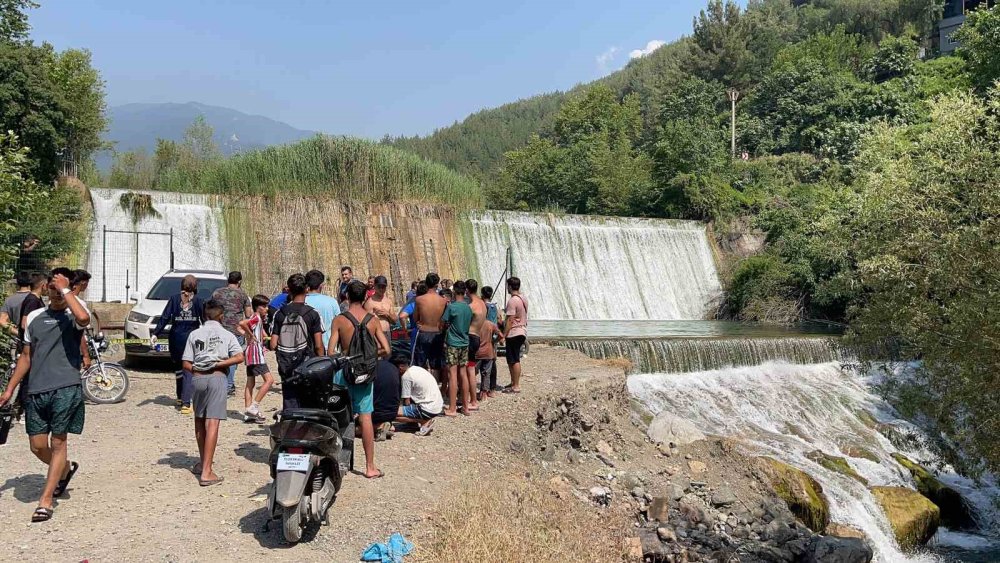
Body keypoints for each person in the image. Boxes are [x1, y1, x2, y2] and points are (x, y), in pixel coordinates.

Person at [0, 269, 89, 522]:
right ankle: (64, 469)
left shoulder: (74, 312)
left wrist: (66, 290)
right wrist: (10, 389)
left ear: (68, 289)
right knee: (37, 446)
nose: (56, 292)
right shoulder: (36, 317)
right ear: (46, 289)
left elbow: (83, 319)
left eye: (61, 287)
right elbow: (27, 356)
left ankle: (46, 500)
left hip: (66, 387)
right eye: (52, 287)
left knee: (59, 442)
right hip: (37, 389)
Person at [328, 280, 390, 479]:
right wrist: (369, 356)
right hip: (365, 373)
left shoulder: (339, 319)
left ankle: (336, 462)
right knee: (365, 418)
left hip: (343, 372)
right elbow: (387, 349)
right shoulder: (373, 320)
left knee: (338, 415)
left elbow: (331, 352)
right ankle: (370, 466)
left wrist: (347, 354)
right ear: (365, 297)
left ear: (346, 297)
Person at [182, 299, 244, 487]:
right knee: (213, 423)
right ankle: (207, 472)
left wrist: (199, 370)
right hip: (217, 378)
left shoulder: (194, 334)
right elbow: (239, 356)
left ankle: (202, 463)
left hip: (198, 379)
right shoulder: (227, 335)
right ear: (222, 316)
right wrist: (218, 364)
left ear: (204, 315)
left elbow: (186, 363)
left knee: (199, 421)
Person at [270, 274, 324, 410]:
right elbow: (318, 346)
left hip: (286, 365)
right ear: (306, 289)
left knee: (289, 398)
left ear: (288, 290)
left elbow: (273, 344)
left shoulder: (280, 313)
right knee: (307, 399)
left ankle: (289, 426)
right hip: (307, 364)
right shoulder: (313, 313)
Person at [151, 275, 204, 414]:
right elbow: (204, 320)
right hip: (191, 338)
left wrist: (156, 333)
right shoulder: (198, 301)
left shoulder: (174, 299)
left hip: (175, 338)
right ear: (195, 287)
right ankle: (186, 403)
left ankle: (180, 397)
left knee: (178, 369)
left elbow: (165, 317)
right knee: (188, 370)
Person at [211, 271, 252, 396]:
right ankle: (228, 385)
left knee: (219, 356)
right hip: (236, 330)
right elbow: (249, 314)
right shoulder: (243, 294)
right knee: (233, 358)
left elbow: (210, 309)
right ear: (239, 281)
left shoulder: (216, 293)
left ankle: (220, 382)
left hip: (218, 328)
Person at [238, 295, 274, 423]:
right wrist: (251, 335)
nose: (267, 309)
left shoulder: (259, 319)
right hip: (255, 354)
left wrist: (251, 334)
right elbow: (242, 323)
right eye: (264, 306)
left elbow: (240, 328)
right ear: (258, 307)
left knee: (250, 383)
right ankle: (254, 406)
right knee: (269, 380)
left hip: (250, 353)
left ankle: (248, 411)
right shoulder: (256, 317)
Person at [390, 350, 442, 436]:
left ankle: (424, 421)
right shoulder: (416, 369)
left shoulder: (406, 376)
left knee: (390, 413)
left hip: (426, 408)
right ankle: (412, 424)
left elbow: (406, 401)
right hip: (436, 405)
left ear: (400, 368)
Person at [442, 280, 474, 416]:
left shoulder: (452, 307)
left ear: (454, 291)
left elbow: (443, 323)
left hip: (453, 343)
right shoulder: (468, 308)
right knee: (463, 374)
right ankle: (465, 407)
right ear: (465, 291)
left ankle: (453, 408)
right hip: (465, 343)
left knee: (452, 375)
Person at [412, 273, 447, 379]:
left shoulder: (419, 300)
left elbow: (415, 318)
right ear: (437, 284)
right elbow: (444, 319)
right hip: (437, 333)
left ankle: (421, 388)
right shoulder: (443, 300)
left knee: (420, 363)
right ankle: (434, 388)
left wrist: (420, 321)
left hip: (423, 332)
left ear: (426, 283)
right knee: (435, 365)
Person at [503, 277, 528, 393]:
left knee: (514, 359)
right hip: (522, 330)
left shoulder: (512, 301)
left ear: (510, 286)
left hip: (514, 332)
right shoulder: (523, 298)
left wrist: (504, 334)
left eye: (507, 286)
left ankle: (516, 385)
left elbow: (510, 320)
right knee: (511, 359)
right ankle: (513, 382)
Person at [304, 269, 339, 347]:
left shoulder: (302, 302)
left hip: (307, 348)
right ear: (321, 285)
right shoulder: (332, 302)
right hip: (329, 346)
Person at [465, 279, 486, 406]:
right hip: (477, 337)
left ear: (467, 290)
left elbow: (463, 323)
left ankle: (471, 400)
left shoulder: (471, 306)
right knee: (471, 368)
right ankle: (472, 399)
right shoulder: (483, 304)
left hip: (469, 337)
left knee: (468, 370)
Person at [371, 358, 401, 441]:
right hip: (392, 412)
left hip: (376, 413)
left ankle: (378, 427)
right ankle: (388, 426)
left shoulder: (369, 368)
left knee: (354, 429)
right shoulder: (393, 367)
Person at [476, 316, 504, 401]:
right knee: (486, 373)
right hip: (489, 352)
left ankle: (471, 393)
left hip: (477, 352)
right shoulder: (490, 324)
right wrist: (494, 341)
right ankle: (484, 393)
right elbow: (501, 336)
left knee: (472, 372)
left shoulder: (474, 324)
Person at [481, 285, 502, 395]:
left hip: (484, 336)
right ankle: (492, 388)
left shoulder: (483, 306)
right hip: (494, 336)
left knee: (483, 362)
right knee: (492, 361)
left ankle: (484, 389)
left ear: (482, 294)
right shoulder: (495, 307)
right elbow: (499, 320)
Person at [0, 271, 32, 337]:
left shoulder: (9, 300)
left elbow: (2, 321)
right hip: (36, 339)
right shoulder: (36, 299)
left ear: (17, 283)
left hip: (16, 340)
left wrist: (18, 333)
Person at [364, 275, 395, 344]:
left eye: (383, 287)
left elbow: (394, 321)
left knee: (388, 353)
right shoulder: (369, 302)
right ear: (374, 286)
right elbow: (365, 323)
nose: (381, 289)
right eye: (379, 287)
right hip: (375, 335)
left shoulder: (388, 301)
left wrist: (388, 314)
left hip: (387, 333)